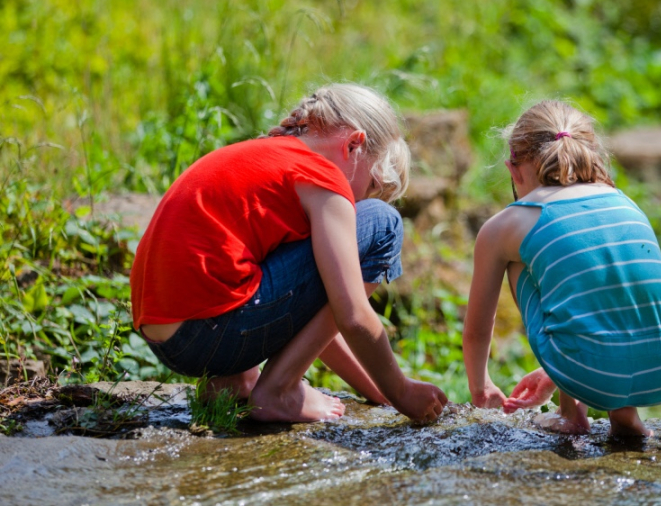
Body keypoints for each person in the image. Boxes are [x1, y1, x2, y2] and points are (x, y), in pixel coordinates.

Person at [130, 83, 448, 424]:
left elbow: (307, 317)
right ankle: (278, 390)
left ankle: (232, 381)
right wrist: (400, 391)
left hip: (171, 341)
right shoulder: (324, 177)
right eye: (371, 187)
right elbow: (351, 314)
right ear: (354, 145)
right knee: (384, 223)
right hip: (212, 331)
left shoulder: (268, 158)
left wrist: (380, 393)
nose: (359, 203)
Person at [462, 100, 661, 436]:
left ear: (513, 170)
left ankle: (571, 414)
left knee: (521, 261)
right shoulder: (623, 200)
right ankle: (625, 416)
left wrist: (481, 387)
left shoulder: (506, 225)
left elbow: (476, 330)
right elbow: (618, 300)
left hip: (589, 370)